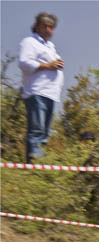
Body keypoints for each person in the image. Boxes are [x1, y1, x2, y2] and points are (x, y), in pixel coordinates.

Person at [18, 12, 64, 163]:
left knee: (44, 133)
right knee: (36, 130)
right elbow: (24, 62)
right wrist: (48, 65)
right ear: (37, 26)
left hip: (51, 93)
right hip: (36, 92)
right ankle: (33, 165)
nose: (48, 30)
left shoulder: (50, 46)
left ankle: (40, 163)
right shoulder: (30, 42)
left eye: (51, 27)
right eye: (45, 26)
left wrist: (56, 64)